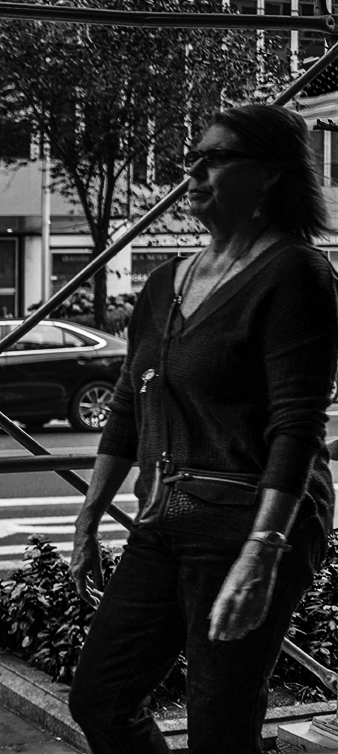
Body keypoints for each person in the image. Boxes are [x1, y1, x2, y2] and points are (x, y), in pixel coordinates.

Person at [67, 105, 338, 754]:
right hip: (170, 512)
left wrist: (263, 551)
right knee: (100, 698)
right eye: (194, 159)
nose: (194, 174)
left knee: (219, 724)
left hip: (253, 519)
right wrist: (90, 513)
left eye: (216, 158)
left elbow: (296, 425)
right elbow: (130, 406)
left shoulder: (297, 274)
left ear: (270, 174)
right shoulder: (164, 284)